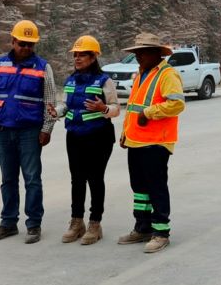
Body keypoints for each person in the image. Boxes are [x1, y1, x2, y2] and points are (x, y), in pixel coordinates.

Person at [0, 19, 56, 244]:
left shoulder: (42, 67)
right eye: (22, 43)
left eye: (30, 44)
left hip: (30, 131)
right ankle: (8, 222)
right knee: (8, 179)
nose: (26, 48)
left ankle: (33, 225)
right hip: (4, 131)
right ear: (12, 41)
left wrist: (47, 128)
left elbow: (50, 100)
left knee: (32, 179)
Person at [47, 35, 120, 245]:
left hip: (99, 136)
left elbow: (116, 109)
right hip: (75, 135)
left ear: (93, 56)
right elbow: (66, 105)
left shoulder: (104, 81)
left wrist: (103, 108)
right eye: (75, 55)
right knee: (77, 179)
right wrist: (57, 111)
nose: (77, 58)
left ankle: (95, 224)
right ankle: (76, 222)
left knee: (95, 179)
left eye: (82, 55)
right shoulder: (70, 80)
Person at [116, 32, 186, 253]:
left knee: (156, 187)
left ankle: (161, 232)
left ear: (156, 53)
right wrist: (125, 133)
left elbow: (176, 104)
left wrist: (150, 112)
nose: (138, 57)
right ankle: (143, 226)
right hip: (136, 140)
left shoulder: (167, 74)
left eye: (143, 52)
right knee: (139, 189)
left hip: (156, 142)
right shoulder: (141, 73)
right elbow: (133, 107)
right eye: (136, 53)